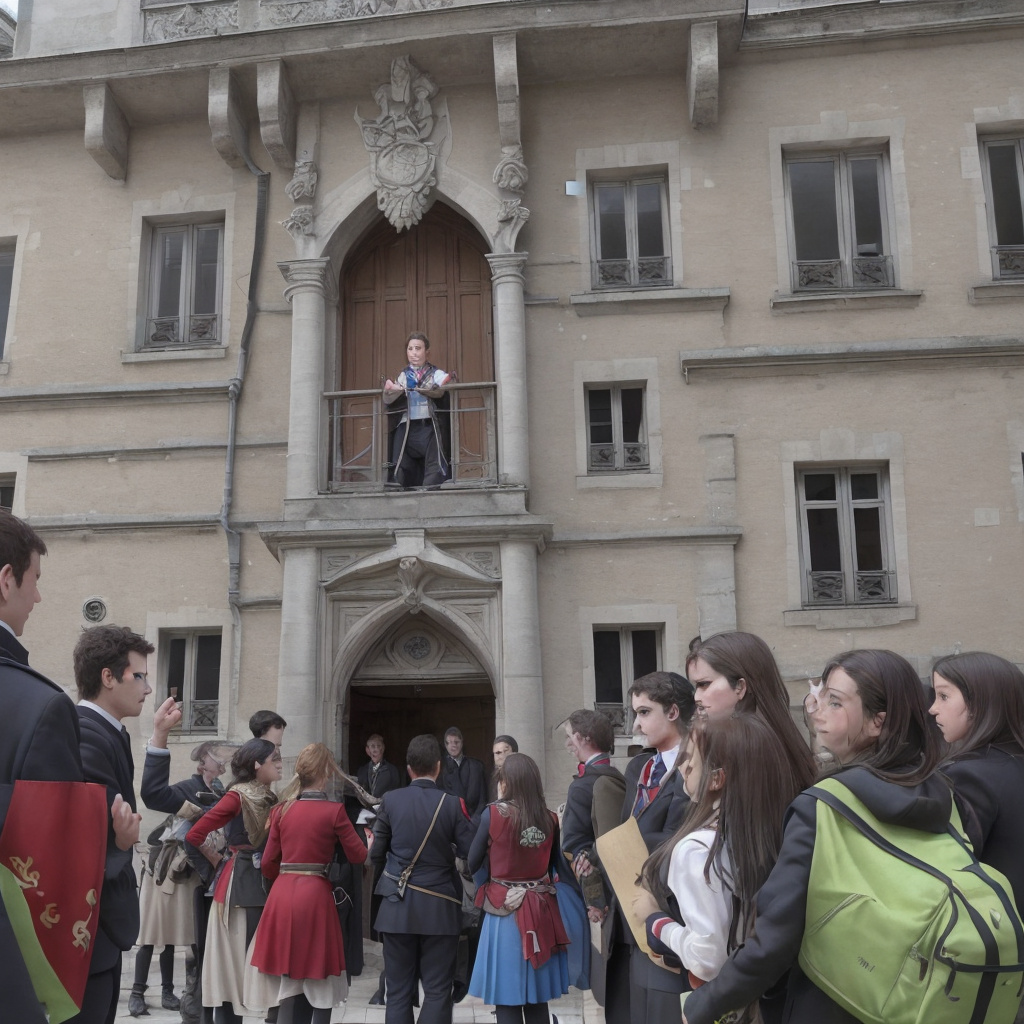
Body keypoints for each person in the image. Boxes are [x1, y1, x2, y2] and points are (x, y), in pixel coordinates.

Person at [682, 649, 945, 1024]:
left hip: (838, 995)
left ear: (877, 722)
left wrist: (704, 1004)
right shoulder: (941, 791)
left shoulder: (824, 803)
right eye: (821, 697)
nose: (817, 710)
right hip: (917, 991)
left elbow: (776, 934)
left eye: (834, 702)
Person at [634, 715, 809, 1017]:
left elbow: (707, 957)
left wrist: (655, 922)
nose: (683, 767)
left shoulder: (696, 850)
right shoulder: (770, 832)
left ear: (717, 778)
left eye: (690, 758)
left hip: (717, 1002)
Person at [249, 743, 368, 1024]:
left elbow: (267, 864)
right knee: (320, 978)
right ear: (325, 773)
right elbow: (358, 855)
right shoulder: (334, 811)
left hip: (282, 894)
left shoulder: (281, 811)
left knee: (289, 980)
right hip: (315, 895)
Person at [70, 625, 154, 1024]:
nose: (147, 688)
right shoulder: (86, 733)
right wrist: (121, 843)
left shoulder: (108, 732)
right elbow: (85, 840)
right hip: (87, 929)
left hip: (100, 930)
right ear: (108, 677)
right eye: (139, 676)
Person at [371, 733, 476, 1024]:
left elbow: (376, 853)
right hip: (440, 907)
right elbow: (470, 852)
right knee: (438, 990)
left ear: (408, 769)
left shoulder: (391, 800)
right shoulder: (453, 804)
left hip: (396, 906)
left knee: (399, 991)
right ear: (439, 767)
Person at [136, 702, 230, 1018]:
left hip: (195, 874)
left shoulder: (220, 792)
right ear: (204, 762)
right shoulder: (188, 787)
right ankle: (137, 993)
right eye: (216, 757)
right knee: (153, 933)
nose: (222, 762)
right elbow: (164, 806)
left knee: (183, 936)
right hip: (169, 870)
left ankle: (171, 992)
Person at [618, 671, 697, 1024]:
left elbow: (680, 838)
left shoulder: (695, 767)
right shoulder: (641, 767)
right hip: (635, 917)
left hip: (675, 917)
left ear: (674, 712)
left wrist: (621, 848)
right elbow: (626, 829)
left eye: (644, 712)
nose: (636, 726)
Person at [468, 753, 570, 1024]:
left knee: (507, 998)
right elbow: (555, 866)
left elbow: (471, 861)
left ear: (506, 782)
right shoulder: (550, 819)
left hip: (504, 911)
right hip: (539, 910)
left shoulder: (493, 814)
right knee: (537, 999)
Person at [186, 738, 283, 1024]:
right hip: (239, 886)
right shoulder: (236, 796)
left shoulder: (269, 795)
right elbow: (194, 835)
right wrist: (217, 863)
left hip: (264, 882)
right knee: (233, 967)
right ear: (257, 765)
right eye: (274, 758)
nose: (279, 763)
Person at [929, 652, 1024, 911]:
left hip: (999, 931)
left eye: (944, 696)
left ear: (981, 703)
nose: (933, 708)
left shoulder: (968, 776)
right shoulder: (1012, 761)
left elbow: (948, 869)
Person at [685, 631, 817, 792]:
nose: (697, 697)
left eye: (704, 684)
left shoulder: (752, 744)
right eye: (696, 686)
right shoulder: (736, 738)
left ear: (740, 686)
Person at [560, 709, 627, 1021]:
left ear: (584, 739)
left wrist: (594, 901)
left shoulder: (582, 786)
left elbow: (577, 851)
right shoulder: (618, 778)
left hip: (603, 897)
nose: (567, 744)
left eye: (570, 737)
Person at [384, 331, 454, 489]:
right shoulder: (403, 374)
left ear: (427, 352)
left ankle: (431, 489)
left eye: (418, 348)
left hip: (429, 423)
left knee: (434, 461)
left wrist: (435, 386)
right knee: (401, 460)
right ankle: (401, 487)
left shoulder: (435, 373)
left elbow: (445, 383)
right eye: (410, 349)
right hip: (406, 424)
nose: (414, 353)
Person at [440, 725, 488, 819]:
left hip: (473, 821)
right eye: (449, 742)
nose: (453, 745)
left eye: (456, 742)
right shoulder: (440, 769)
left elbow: (483, 799)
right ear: (445, 745)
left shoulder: (476, 766)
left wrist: (475, 822)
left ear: (462, 743)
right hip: (449, 822)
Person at [358, 733, 403, 803]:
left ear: (383, 749)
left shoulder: (392, 770)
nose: (376, 750)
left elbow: (396, 793)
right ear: (368, 750)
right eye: (372, 746)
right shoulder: (362, 771)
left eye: (378, 746)